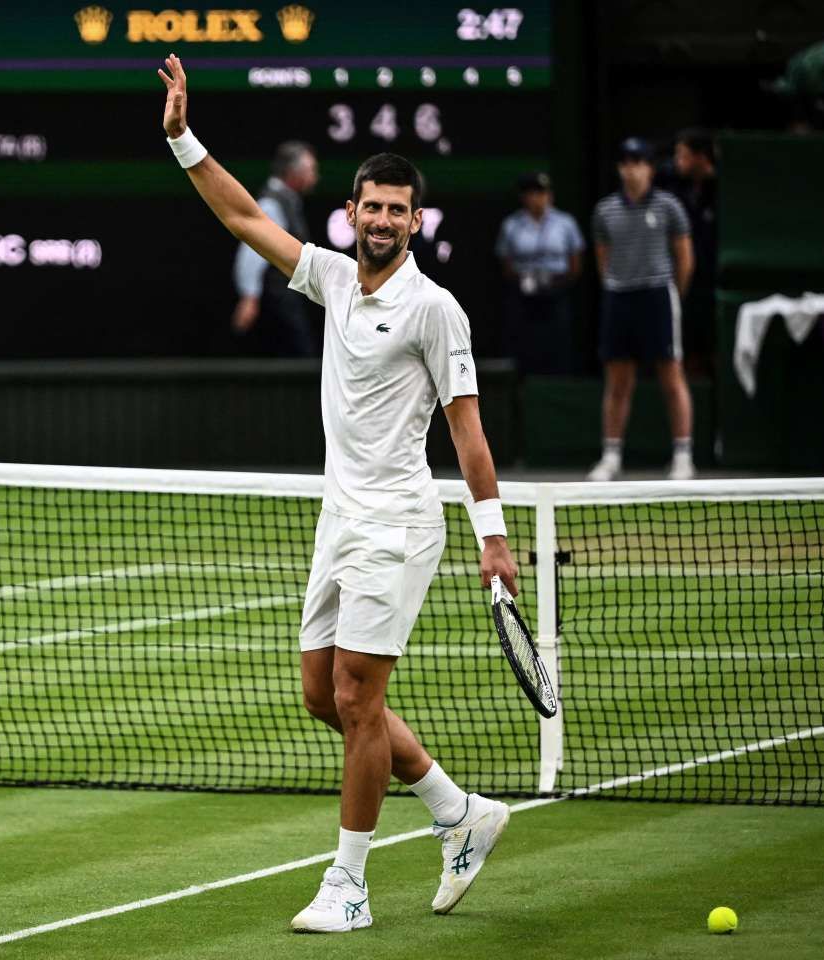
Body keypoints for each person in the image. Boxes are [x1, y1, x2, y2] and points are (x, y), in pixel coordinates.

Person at [159, 54, 518, 933]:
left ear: (416, 220)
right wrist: (181, 138)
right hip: (339, 519)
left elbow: (466, 428)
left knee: (359, 698)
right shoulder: (329, 278)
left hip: (398, 522)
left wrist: (495, 536)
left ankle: (349, 886)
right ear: (352, 213)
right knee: (324, 697)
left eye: (400, 209)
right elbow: (243, 213)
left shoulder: (437, 309)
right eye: (373, 206)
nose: (385, 219)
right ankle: (457, 810)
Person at [586, 137, 695, 482]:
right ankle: (611, 456)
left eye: (639, 162)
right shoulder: (604, 211)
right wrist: (618, 284)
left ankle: (682, 455)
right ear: (620, 168)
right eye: (626, 163)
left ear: (649, 168)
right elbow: (602, 259)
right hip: (620, 298)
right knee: (618, 381)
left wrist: (672, 294)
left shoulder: (669, 207)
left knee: (671, 375)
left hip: (658, 297)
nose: (632, 169)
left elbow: (684, 259)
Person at [231, 140, 320, 356]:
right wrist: (249, 297)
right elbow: (252, 252)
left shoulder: (288, 201)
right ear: (293, 173)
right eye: (311, 170)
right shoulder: (272, 203)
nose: (315, 177)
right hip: (276, 297)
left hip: (286, 295)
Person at [493, 172, 584, 374]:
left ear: (550, 195)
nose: (537, 198)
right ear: (524, 198)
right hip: (524, 292)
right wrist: (527, 281)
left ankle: (560, 384)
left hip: (557, 290)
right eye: (532, 193)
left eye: (541, 193)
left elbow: (575, 263)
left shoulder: (566, 223)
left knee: (558, 343)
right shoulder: (512, 225)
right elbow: (506, 264)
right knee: (523, 344)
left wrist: (556, 283)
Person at [672, 129, 718, 379]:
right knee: (688, 355)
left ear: (701, 157)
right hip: (689, 286)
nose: (678, 162)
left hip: (714, 284)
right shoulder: (678, 192)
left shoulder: (722, 190)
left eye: (683, 155)